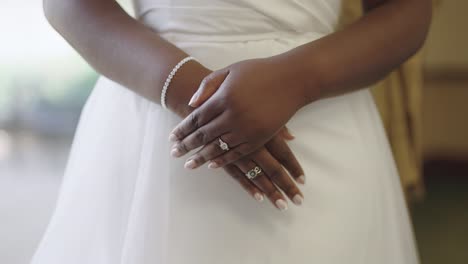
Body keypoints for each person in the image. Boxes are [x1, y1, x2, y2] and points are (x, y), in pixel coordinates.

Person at [31, 0, 431, 263]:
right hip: (156, 111)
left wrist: (298, 80)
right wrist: (199, 101)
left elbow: (407, 12)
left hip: (320, 117)